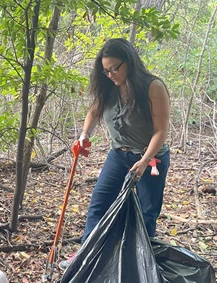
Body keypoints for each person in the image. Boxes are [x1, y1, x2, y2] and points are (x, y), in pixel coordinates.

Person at [60, 38, 170, 270]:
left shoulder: (152, 87)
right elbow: (94, 112)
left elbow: (161, 131)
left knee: (145, 213)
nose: (110, 74)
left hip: (151, 159)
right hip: (118, 156)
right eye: (105, 70)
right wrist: (84, 135)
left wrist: (144, 160)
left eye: (114, 68)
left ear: (128, 61)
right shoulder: (108, 88)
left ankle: (141, 265)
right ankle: (86, 255)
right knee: (99, 204)